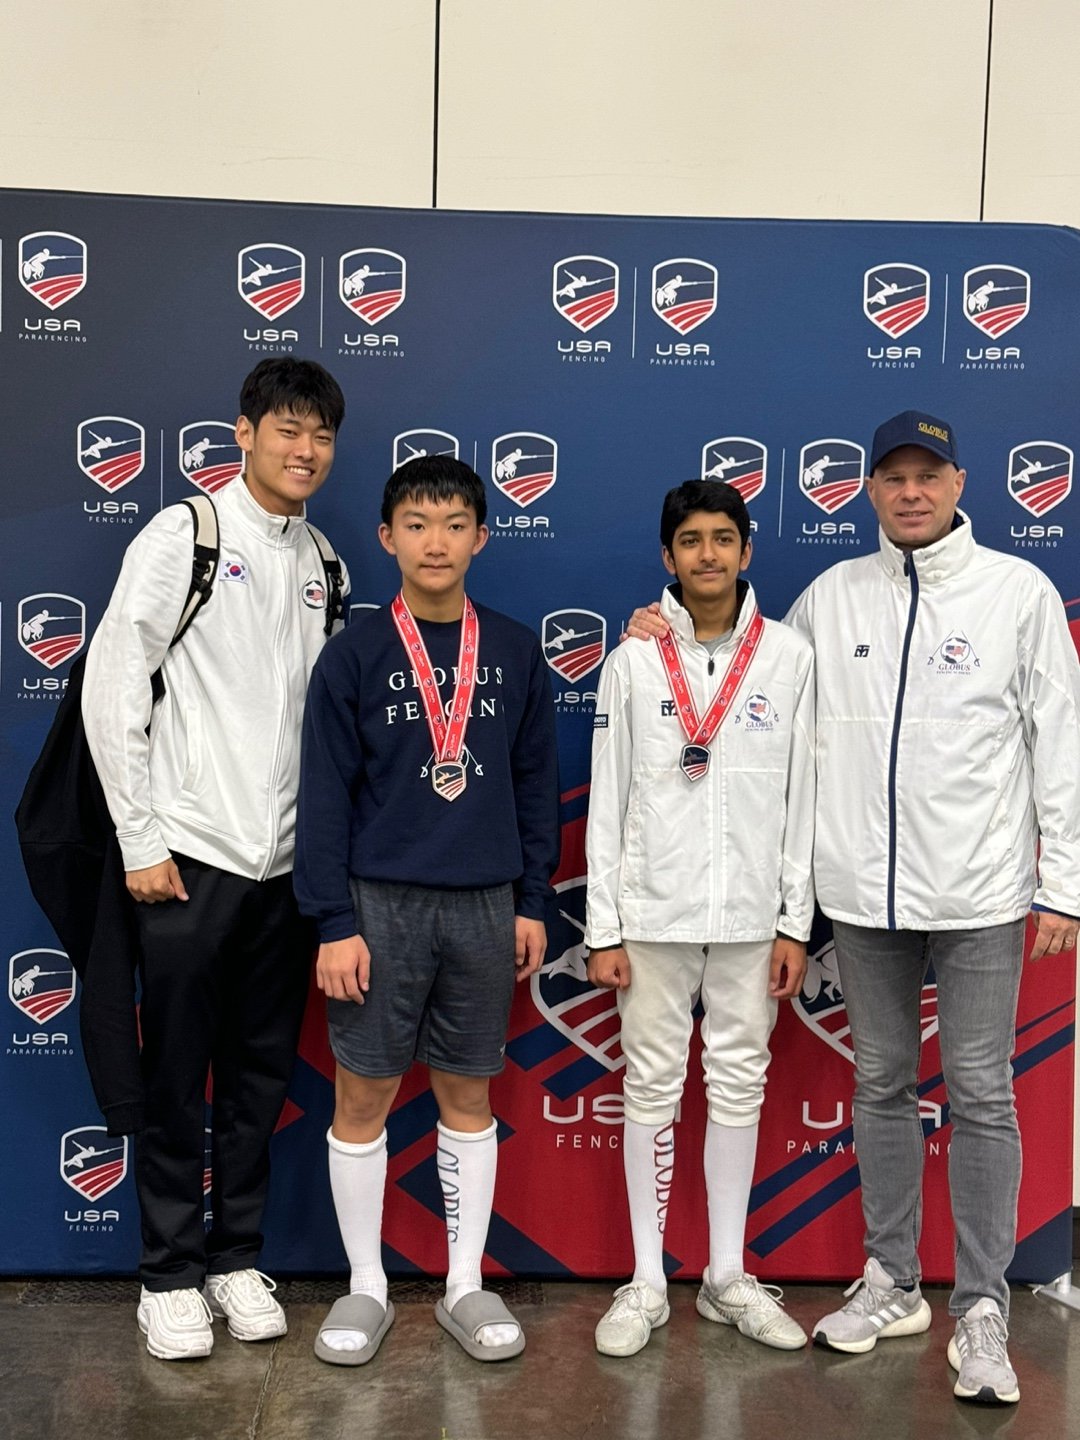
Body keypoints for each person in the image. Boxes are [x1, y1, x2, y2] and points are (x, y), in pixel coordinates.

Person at [784, 410, 1080, 1405]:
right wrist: (660, 624)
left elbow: (1063, 743)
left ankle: (984, 1306)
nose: (910, 491)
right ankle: (891, 1280)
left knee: (984, 1091)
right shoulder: (830, 598)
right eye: (893, 476)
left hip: (985, 892)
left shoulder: (1017, 593)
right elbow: (761, 696)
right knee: (879, 1081)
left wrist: (1065, 885)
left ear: (959, 483)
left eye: (929, 474)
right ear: (870, 489)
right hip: (863, 898)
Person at [82, 358, 349, 1361]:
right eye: (285, 428)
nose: (304, 448)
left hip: (285, 870)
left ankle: (236, 1258)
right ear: (242, 432)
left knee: (257, 1077)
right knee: (176, 1076)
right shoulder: (185, 534)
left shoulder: (323, 557)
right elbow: (115, 681)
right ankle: (167, 1272)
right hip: (188, 859)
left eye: (320, 434)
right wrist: (141, 839)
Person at [294, 454, 560, 1367]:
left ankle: (462, 1284)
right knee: (361, 1094)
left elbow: (534, 786)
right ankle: (366, 1285)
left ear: (482, 537)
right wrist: (331, 920)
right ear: (387, 538)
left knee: (468, 1094)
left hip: (486, 905)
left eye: (454, 524)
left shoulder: (517, 650)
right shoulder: (356, 653)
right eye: (417, 523)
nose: (435, 541)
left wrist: (531, 901)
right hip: (378, 905)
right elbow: (324, 796)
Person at [586, 480, 815, 1359]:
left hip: (754, 916)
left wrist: (795, 921)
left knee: (739, 1083)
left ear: (748, 551)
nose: (709, 554)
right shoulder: (635, 660)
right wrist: (603, 926)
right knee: (649, 1084)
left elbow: (804, 799)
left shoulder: (790, 657)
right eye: (691, 540)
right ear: (668, 556)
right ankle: (646, 1279)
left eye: (724, 538)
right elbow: (609, 799)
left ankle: (725, 1273)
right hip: (652, 912)